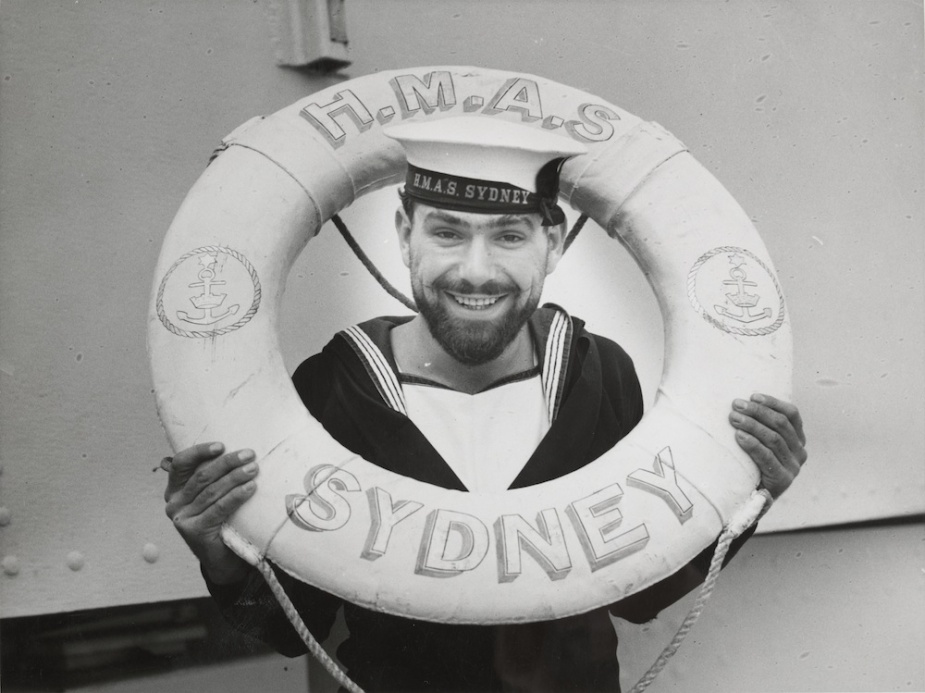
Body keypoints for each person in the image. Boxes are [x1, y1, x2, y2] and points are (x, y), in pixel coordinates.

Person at [162, 117, 807, 692]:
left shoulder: (597, 372)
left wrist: (750, 493)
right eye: (447, 233)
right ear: (404, 234)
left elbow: (639, 593)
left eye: (508, 237)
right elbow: (294, 620)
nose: (477, 271)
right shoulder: (336, 385)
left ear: (551, 246)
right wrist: (217, 547)